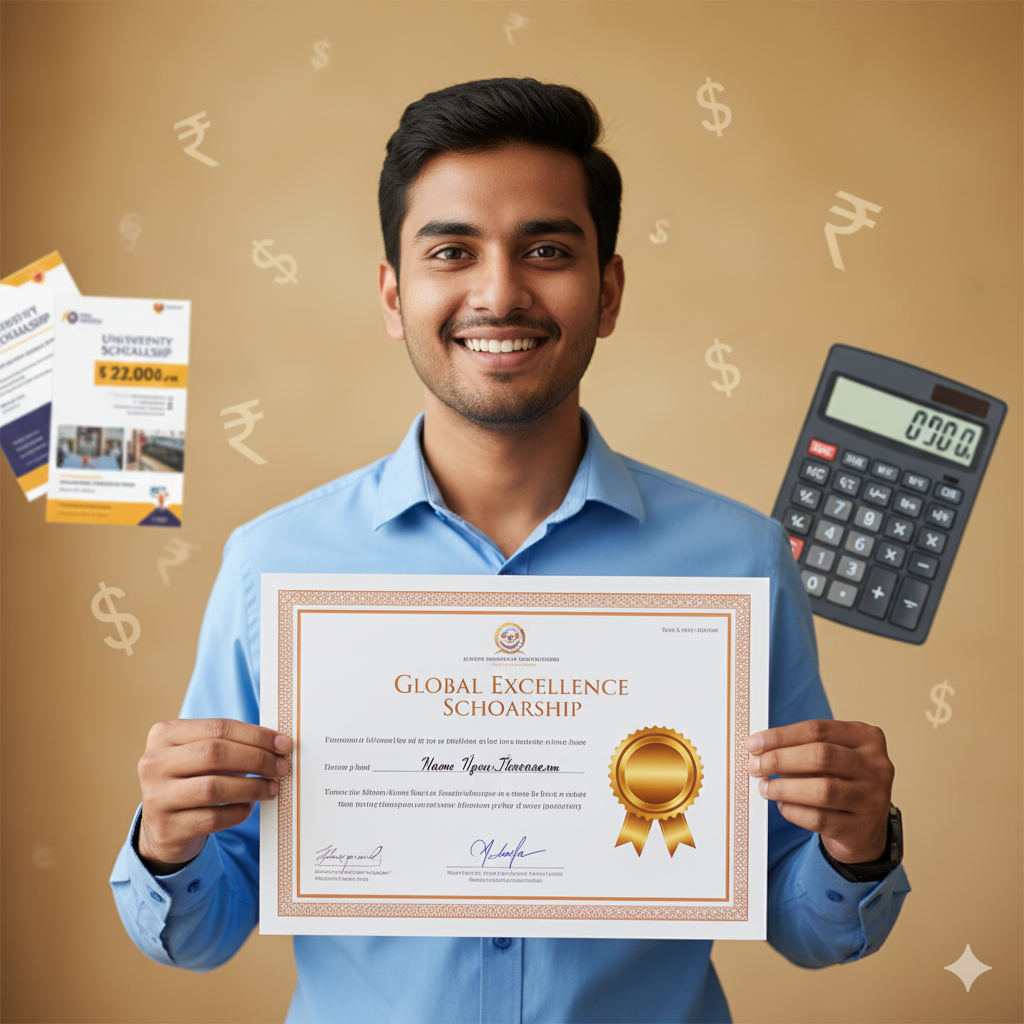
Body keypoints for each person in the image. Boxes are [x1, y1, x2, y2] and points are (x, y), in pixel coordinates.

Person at [110, 78, 910, 1024]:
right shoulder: (271, 563)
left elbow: (802, 921)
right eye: (452, 251)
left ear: (606, 292)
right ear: (392, 293)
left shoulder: (738, 561)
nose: (499, 292)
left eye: (547, 250)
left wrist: (858, 845)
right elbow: (205, 931)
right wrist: (167, 844)